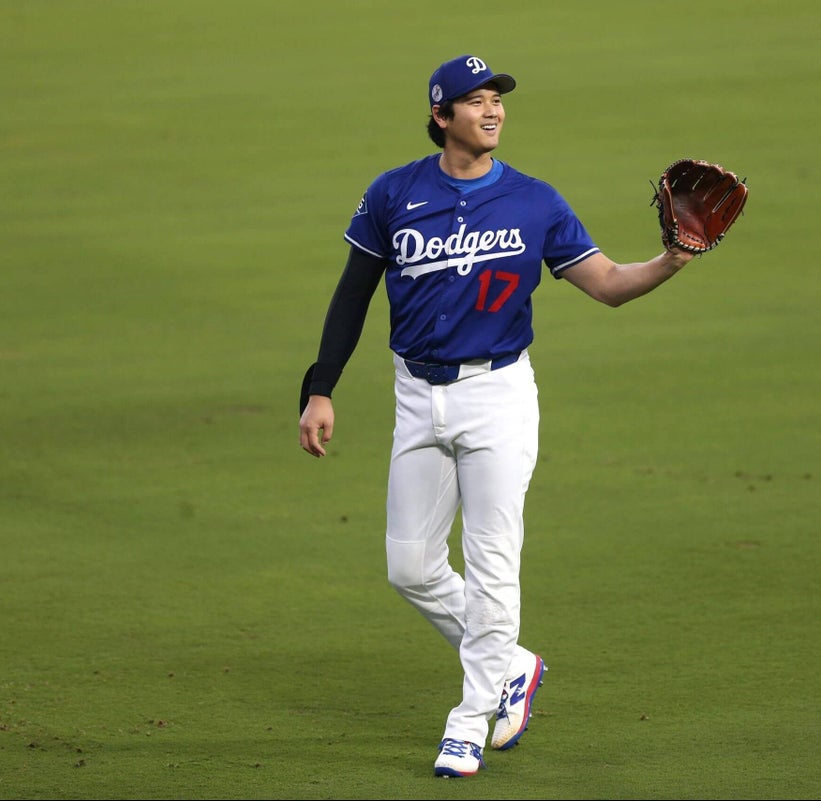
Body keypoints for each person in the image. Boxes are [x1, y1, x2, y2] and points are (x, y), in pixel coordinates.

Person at [297, 54, 700, 778]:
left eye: (497, 101)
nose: (492, 111)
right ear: (440, 116)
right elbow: (352, 293)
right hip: (416, 395)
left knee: (490, 565)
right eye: (475, 101)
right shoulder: (393, 194)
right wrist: (320, 386)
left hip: (499, 398)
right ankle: (512, 662)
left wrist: (670, 259)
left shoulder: (534, 201)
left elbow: (607, 284)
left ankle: (470, 718)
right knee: (410, 566)